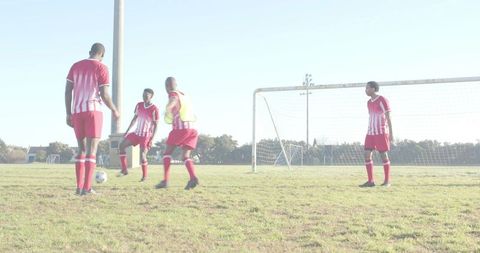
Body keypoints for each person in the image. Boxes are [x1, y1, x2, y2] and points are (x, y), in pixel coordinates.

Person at [65, 43, 120, 195]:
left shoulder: (75, 66)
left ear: (90, 52)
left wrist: (68, 113)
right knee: (92, 149)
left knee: (81, 149)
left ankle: (79, 187)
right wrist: (114, 109)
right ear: (102, 55)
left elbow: (67, 91)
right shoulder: (102, 68)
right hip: (93, 111)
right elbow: (104, 94)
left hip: (77, 112)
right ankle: (87, 188)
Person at [156, 77, 199, 190]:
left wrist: (168, 107)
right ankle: (193, 177)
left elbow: (173, 100)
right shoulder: (183, 95)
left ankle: (165, 180)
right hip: (192, 129)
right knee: (185, 156)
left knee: (167, 153)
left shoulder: (173, 94)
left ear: (167, 86)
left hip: (181, 128)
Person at [118, 89, 159, 181]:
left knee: (142, 155)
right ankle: (124, 170)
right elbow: (134, 119)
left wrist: (151, 139)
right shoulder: (139, 105)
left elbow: (156, 125)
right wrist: (127, 131)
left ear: (151, 96)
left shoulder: (154, 109)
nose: (144, 97)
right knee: (121, 146)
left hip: (146, 136)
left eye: (146, 95)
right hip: (136, 133)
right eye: (143, 95)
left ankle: (144, 177)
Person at [360, 81, 393, 187]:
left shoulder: (382, 100)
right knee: (366, 154)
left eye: (368, 88)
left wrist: (391, 132)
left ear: (374, 89)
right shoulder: (368, 102)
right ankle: (371, 181)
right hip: (370, 132)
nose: (366, 90)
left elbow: (388, 116)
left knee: (383, 154)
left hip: (381, 132)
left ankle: (387, 181)